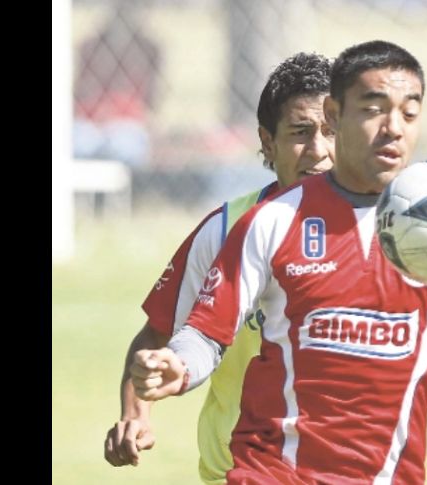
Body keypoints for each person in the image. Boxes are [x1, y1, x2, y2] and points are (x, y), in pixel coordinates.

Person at [131, 40, 427, 484]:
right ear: (334, 114)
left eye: (408, 113)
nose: (393, 128)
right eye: (373, 110)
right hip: (271, 474)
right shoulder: (273, 221)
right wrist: (179, 367)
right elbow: (205, 334)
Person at [104, 52, 335, 485]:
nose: (319, 150)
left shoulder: (386, 230)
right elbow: (159, 333)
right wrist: (136, 416)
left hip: (349, 469)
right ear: (268, 142)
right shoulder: (227, 229)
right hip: (242, 469)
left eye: (331, 131)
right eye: (300, 133)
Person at [73, 4, 161, 168]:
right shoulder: (90, 47)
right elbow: (81, 94)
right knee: (79, 141)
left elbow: (149, 103)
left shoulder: (148, 49)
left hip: (126, 123)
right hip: (90, 122)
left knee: (124, 145)